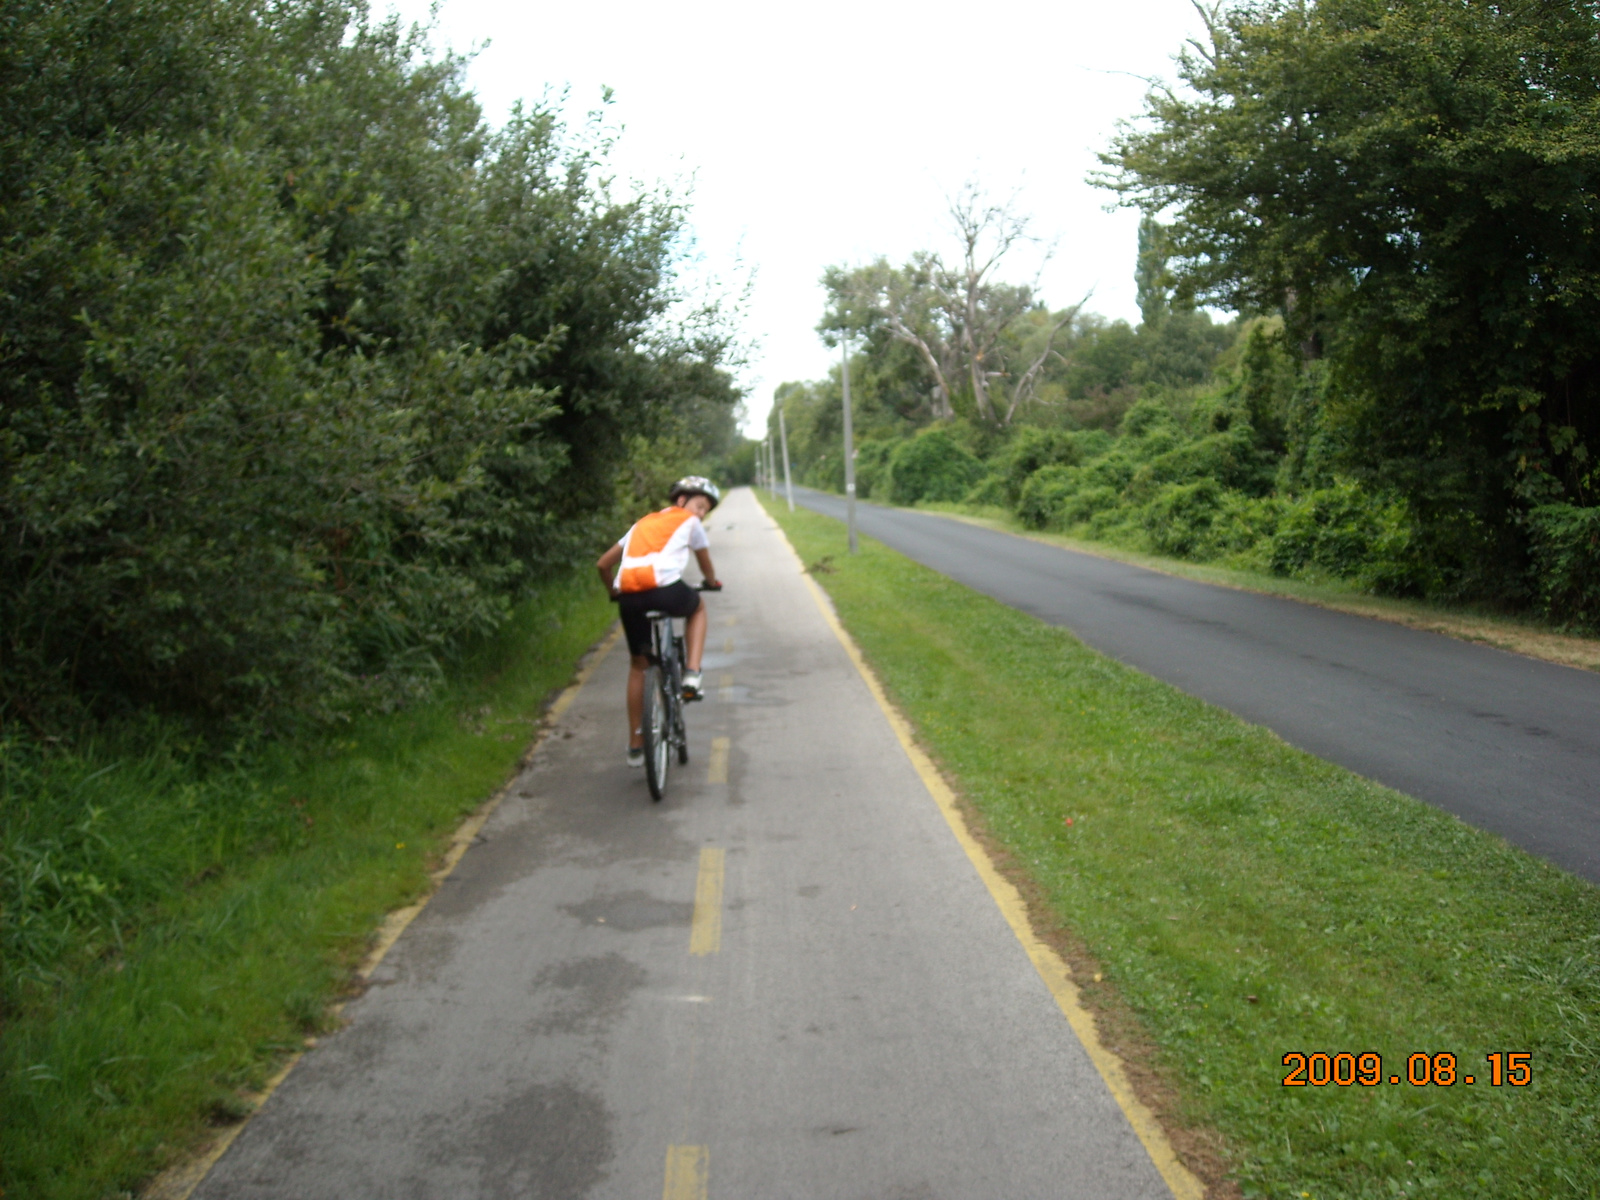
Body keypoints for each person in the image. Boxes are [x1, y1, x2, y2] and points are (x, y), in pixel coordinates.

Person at [596, 476, 722, 767]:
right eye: (700, 505)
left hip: (629, 598)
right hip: (665, 592)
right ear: (681, 501)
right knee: (698, 609)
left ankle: (636, 744)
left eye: (705, 510)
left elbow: (603, 564)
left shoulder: (641, 524)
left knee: (639, 666)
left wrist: (613, 591)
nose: (701, 513)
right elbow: (704, 561)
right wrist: (711, 581)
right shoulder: (690, 523)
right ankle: (692, 673)